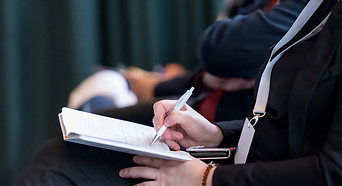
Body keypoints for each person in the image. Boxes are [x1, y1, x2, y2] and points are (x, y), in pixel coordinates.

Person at [0, 0, 342, 186]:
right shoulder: (320, 7)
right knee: (59, 158)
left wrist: (207, 182)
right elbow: (289, 123)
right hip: (242, 162)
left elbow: (333, 178)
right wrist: (216, 136)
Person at [70, 0, 306, 126]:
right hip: (200, 107)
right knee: (81, 122)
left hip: (222, 128)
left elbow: (217, 50)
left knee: (68, 147)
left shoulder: (312, 6)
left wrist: (157, 86)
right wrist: (201, 77)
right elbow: (207, 63)